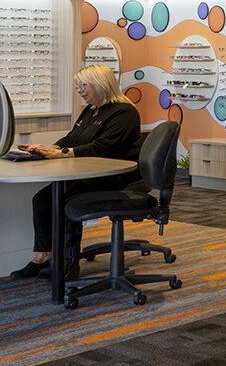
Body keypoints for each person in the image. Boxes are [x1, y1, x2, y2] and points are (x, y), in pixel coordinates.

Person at [9, 65, 142, 279]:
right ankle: (43, 256)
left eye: (83, 85)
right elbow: (72, 138)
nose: (79, 90)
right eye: (78, 86)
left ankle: (67, 265)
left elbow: (103, 148)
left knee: (65, 201)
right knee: (42, 199)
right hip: (87, 173)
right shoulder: (91, 109)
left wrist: (61, 154)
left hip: (112, 176)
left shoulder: (124, 112)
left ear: (100, 85)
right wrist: (47, 148)